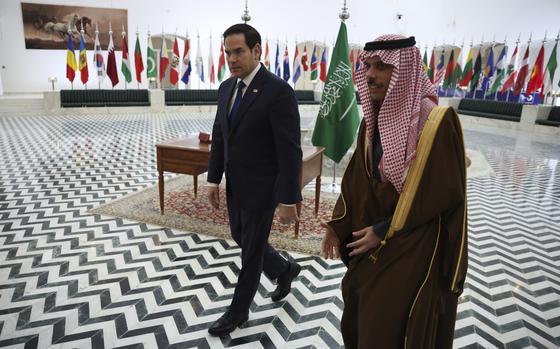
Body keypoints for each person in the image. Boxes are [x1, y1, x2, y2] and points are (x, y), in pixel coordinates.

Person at [320, 34, 468, 348]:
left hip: (414, 241)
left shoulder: (437, 122)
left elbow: (443, 192)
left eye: (382, 67)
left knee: (386, 324)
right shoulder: (371, 120)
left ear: (404, 71)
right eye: (368, 65)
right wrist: (338, 226)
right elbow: (357, 179)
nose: (370, 74)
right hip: (373, 239)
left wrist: (386, 229)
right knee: (358, 313)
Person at [206, 23, 303, 337]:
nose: (232, 59)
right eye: (227, 53)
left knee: (250, 252)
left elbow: (290, 151)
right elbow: (220, 136)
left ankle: (237, 313)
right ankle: (284, 269)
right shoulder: (226, 88)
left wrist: (289, 199)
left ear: (257, 51)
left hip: (264, 189)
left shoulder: (278, 92)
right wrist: (213, 179)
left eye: (239, 52)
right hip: (236, 184)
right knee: (241, 236)